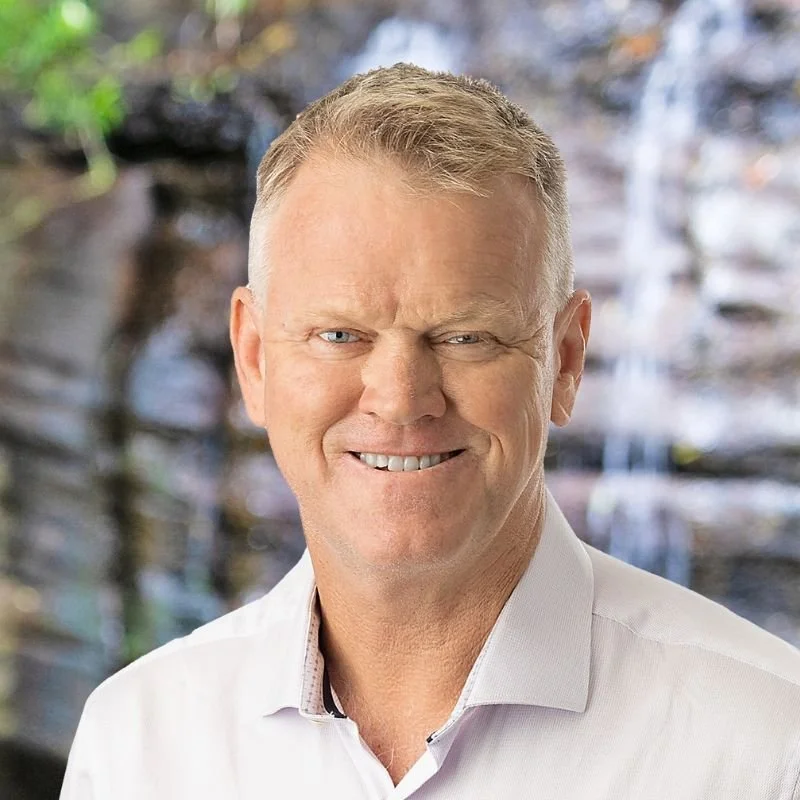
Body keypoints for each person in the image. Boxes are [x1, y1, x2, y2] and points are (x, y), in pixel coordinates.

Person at [60, 63, 800, 799]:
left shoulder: (766, 746)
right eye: (340, 334)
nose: (402, 399)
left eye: (466, 337)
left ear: (565, 360)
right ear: (253, 359)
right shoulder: (137, 746)